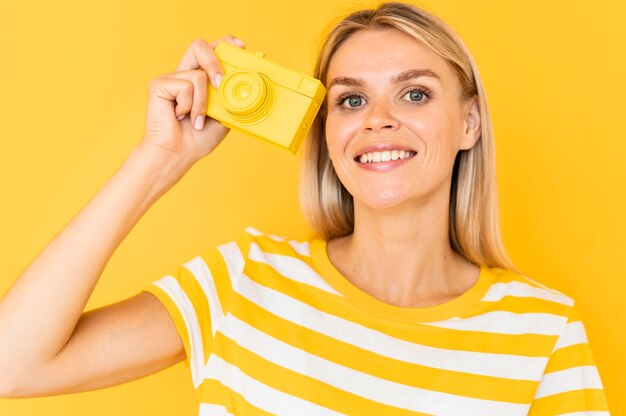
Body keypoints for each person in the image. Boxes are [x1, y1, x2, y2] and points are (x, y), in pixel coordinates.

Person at [0, 2, 610, 415]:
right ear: (326, 131)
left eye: (415, 93)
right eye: (350, 101)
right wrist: (160, 159)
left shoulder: (544, 333)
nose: (378, 120)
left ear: (469, 123)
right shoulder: (245, 279)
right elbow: (12, 365)